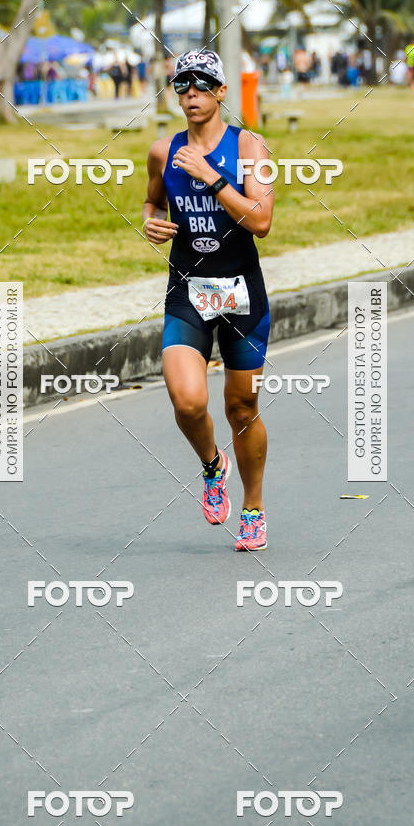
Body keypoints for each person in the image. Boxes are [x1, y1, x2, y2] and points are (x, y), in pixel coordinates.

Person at [143, 49, 274, 551]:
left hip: (241, 294)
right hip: (188, 292)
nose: (191, 94)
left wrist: (211, 176)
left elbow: (260, 222)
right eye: (182, 86)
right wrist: (151, 220)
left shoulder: (251, 149)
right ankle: (212, 465)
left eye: (202, 85)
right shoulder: (163, 150)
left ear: (222, 92)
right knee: (187, 399)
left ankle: (254, 507)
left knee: (242, 408)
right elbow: (153, 197)